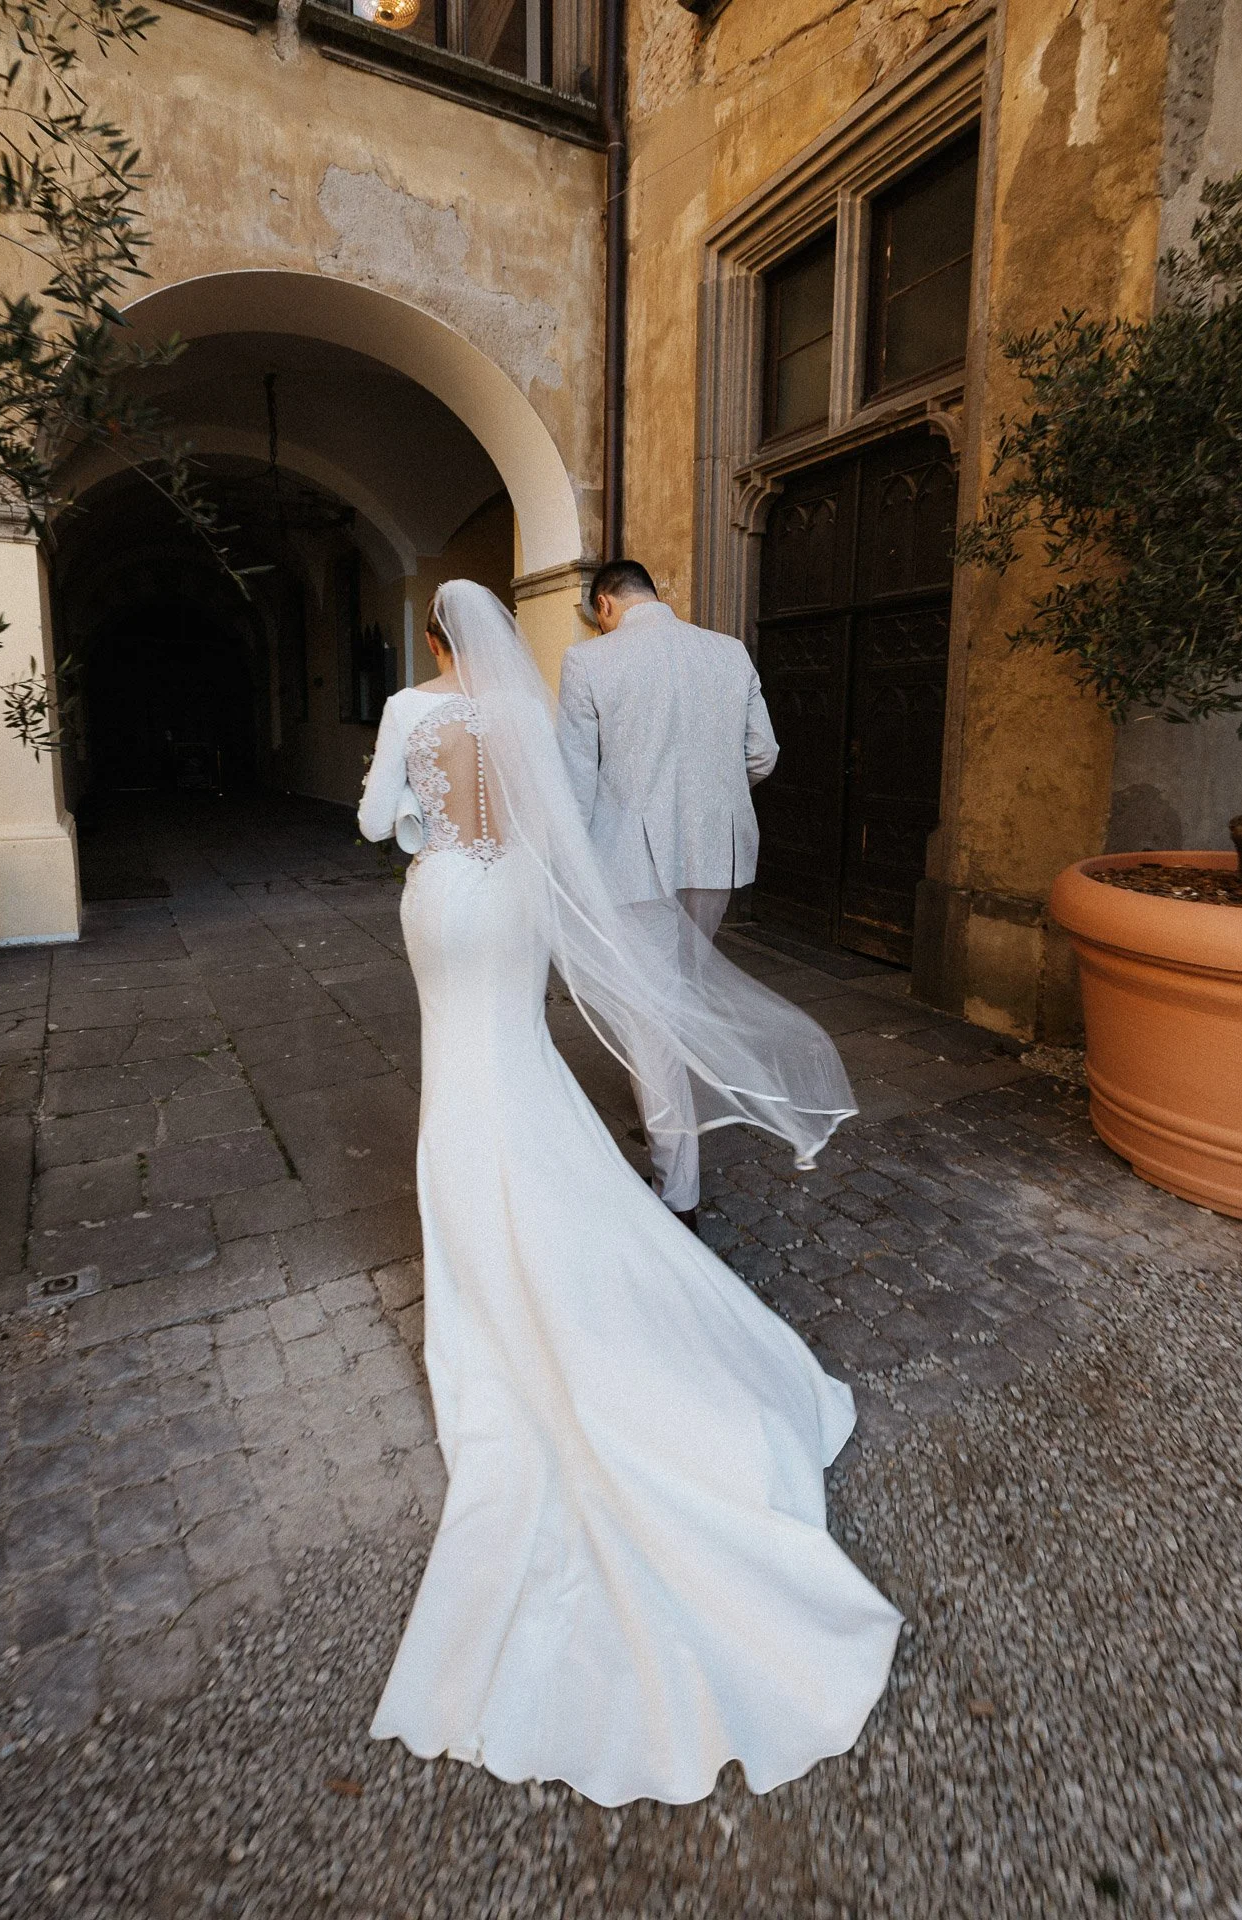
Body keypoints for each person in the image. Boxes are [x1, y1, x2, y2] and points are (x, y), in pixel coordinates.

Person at [357, 579, 900, 1809]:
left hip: (447, 902)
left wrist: (426, 812)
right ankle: (646, 1193)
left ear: (436, 639)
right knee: (533, 1055)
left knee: (468, 1077)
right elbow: (557, 821)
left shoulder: (408, 708)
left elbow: (386, 824)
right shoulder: (539, 710)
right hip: (529, 909)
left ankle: (516, 1240)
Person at [557, 560, 779, 1232]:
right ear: (652, 595)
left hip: (630, 859)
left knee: (651, 1015)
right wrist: (708, 799)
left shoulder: (588, 660)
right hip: (714, 852)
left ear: (604, 604)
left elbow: (574, 779)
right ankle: (670, 1113)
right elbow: (762, 753)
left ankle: (677, 1189)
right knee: (673, 992)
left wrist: (567, 870)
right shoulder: (728, 651)